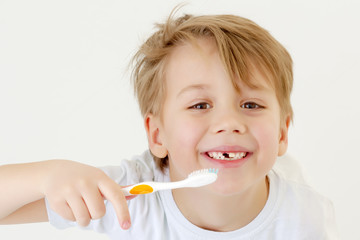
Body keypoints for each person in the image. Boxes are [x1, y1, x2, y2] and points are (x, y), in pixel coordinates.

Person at [0, 10, 337, 239]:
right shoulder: (129, 196)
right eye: (200, 105)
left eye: (251, 104)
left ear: (281, 133)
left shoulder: (306, 217)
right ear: (157, 135)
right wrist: (47, 175)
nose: (229, 123)